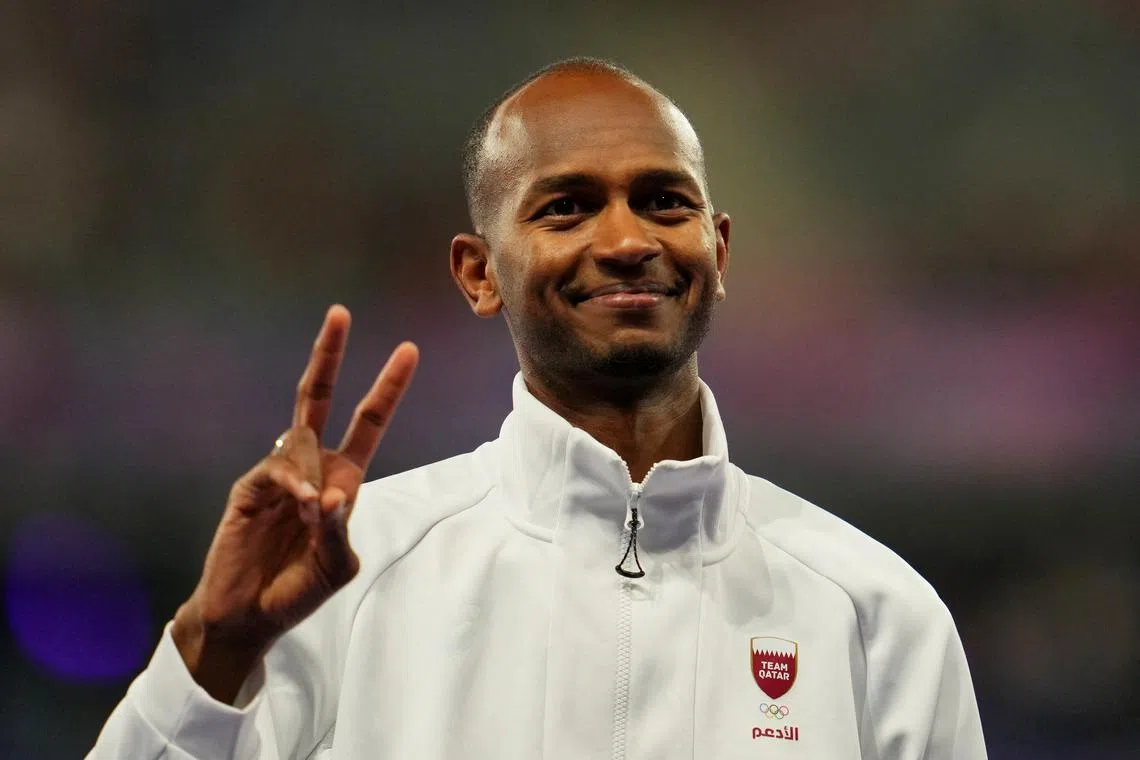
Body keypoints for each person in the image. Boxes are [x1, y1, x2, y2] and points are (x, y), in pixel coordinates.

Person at [88, 58, 987, 759]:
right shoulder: (341, 577)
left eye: (663, 201)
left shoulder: (876, 613)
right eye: (567, 208)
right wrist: (214, 643)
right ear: (480, 273)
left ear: (717, 248)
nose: (628, 240)